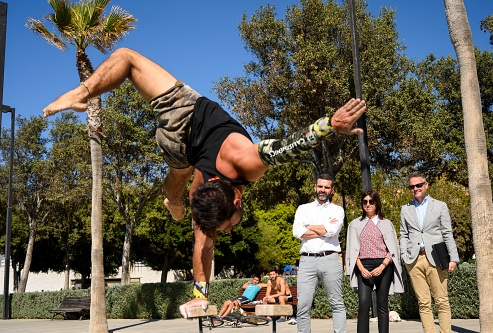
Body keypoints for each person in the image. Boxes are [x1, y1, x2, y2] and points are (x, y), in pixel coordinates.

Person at [42, 48, 366, 316]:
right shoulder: (238, 170)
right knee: (179, 178)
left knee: (129, 61)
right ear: (235, 201)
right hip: (182, 131)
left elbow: (285, 147)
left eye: (223, 228)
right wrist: (329, 124)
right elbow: (285, 147)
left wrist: (328, 126)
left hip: (181, 124)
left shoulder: (212, 196)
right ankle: (174, 202)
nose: (227, 230)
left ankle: (83, 94)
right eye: (227, 227)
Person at [400, 171, 460, 333]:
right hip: (414, 260)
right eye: (412, 186)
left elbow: (447, 233)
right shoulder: (405, 209)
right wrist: (404, 256)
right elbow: (404, 234)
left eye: (418, 185)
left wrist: (453, 258)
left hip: (436, 259)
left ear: (426, 185)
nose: (415, 188)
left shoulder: (440, 206)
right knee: (424, 303)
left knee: (441, 301)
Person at [292, 174, 346, 333]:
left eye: (327, 187)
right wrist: (325, 229)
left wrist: (309, 226)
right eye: (320, 186)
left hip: (330, 259)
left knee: (336, 302)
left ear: (332, 190)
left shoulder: (337, 210)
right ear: (315, 187)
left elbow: (333, 230)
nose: (323, 190)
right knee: (303, 305)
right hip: (307, 261)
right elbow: (297, 232)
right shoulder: (303, 208)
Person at [345, 190, 404, 333]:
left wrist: (383, 266)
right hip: (363, 267)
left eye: (371, 201)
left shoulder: (386, 223)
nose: (368, 204)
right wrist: (360, 268)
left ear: (377, 203)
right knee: (364, 305)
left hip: (384, 267)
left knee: (382, 305)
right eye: (365, 202)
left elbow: (393, 250)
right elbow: (352, 251)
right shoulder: (354, 224)